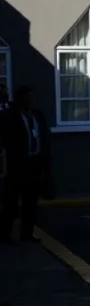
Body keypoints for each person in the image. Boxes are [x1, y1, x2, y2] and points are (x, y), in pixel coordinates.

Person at [0, 85, 53, 243]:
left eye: (32, 97)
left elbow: (44, 140)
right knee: (11, 201)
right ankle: (5, 234)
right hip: (16, 165)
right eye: (27, 97)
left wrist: (46, 166)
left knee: (30, 203)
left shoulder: (37, 116)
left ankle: (27, 234)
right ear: (20, 99)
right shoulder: (8, 116)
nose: (31, 100)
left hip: (35, 164)